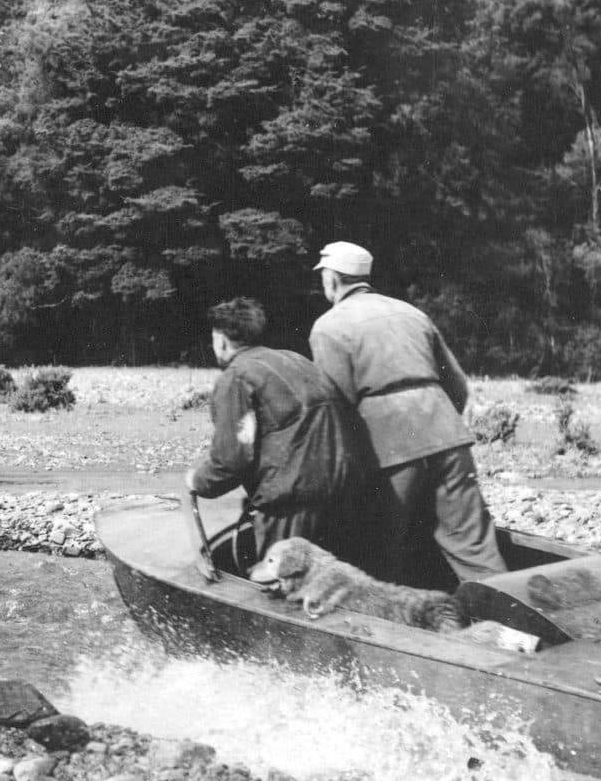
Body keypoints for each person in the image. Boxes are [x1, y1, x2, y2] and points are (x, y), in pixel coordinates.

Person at [308, 241, 506, 587]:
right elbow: (457, 386)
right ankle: (507, 612)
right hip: (447, 434)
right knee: (473, 544)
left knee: (379, 546)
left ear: (332, 279)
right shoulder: (412, 313)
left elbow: (335, 407)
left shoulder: (329, 326)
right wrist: (436, 427)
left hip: (389, 445)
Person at [186, 296, 372, 568]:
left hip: (292, 502)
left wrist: (198, 481)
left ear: (221, 341)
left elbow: (231, 459)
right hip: (344, 488)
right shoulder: (297, 359)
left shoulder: (236, 376)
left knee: (281, 580)